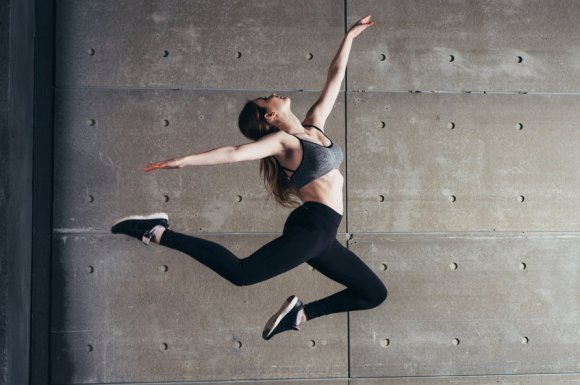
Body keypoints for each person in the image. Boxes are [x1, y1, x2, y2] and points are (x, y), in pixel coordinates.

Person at [112, 15, 387, 340]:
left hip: (321, 231)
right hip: (314, 227)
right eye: (265, 98)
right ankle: (157, 231)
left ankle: (301, 313)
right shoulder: (285, 143)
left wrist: (351, 36)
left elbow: (334, 76)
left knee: (373, 293)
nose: (272, 93)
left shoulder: (313, 126)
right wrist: (184, 160)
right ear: (270, 115)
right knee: (241, 274)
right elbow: (234, 152)